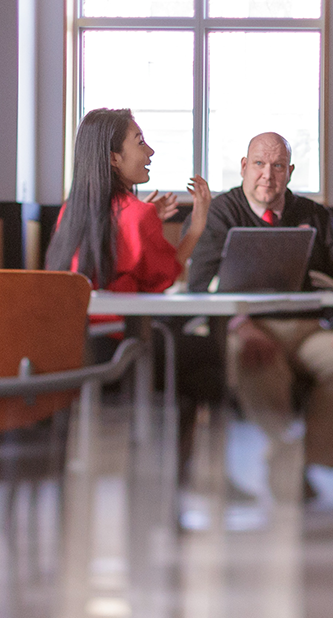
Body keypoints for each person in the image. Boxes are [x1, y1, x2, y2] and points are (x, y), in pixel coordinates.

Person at [185, 132, 333, 502]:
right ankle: (284, 448)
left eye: (277, 166)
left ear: (290, 171)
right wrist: (240, 325)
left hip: (307, 329)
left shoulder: (313, 215)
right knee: (251, 359)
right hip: (249, 328)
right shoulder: (223, 212)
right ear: (243, 167)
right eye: (259, 164)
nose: (267, 175)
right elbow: (199, 282)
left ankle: (296, 461)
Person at [44, 108, 214, 464]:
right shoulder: (137, 215)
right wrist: (196, 227)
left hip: (70, 350)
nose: (149, 151)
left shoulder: (69, 211)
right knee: (209, 357)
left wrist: (145, 218)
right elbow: (162, 279)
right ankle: (182, 474)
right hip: (121, 348)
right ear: (113, 157)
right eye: (140, 142)